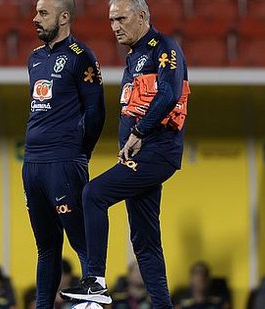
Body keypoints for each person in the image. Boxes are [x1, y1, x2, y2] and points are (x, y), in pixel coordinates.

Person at [61, 0, 190, 308]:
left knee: (94, 194)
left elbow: (169, 95)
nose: (114, 26)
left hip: (157, 153)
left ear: (142, 16)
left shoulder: (165, 48)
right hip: (141, 155)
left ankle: (95, 283)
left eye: (120, 18)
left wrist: (138, 133)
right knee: (144, 243)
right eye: (110, 20)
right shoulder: (134, 57)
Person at [22, 0, 106, 307]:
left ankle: (91, 302)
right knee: (46, 246)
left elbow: (96, 111)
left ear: (65, 17)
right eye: (36, 12)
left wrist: (82, 152)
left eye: (43, 13)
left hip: (64, 162)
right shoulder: (34, 59)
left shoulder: (81, 57)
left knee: (81, 241)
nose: (35, 18)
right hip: (32, 163)